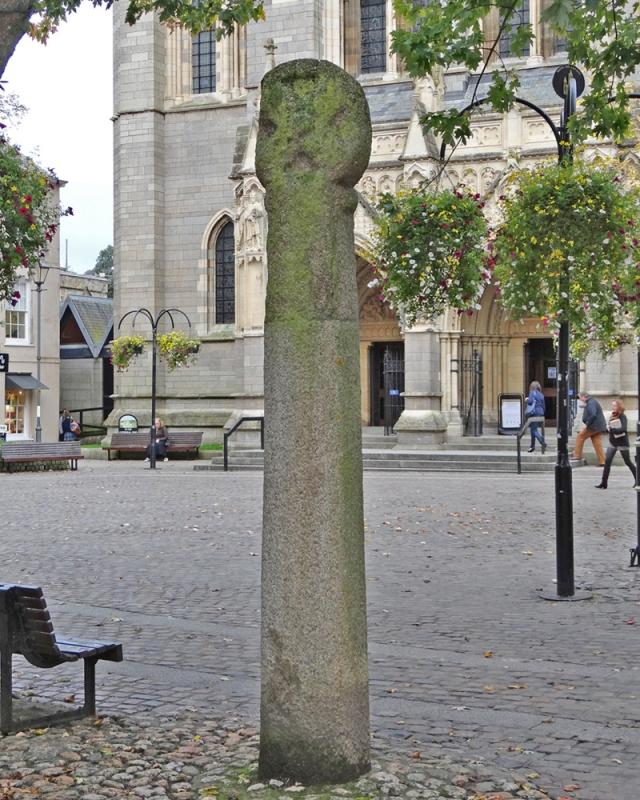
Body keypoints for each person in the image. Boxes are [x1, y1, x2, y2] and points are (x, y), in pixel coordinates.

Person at [595, 398, 637, 489]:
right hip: (613, 442)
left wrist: (612, 429)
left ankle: (638, 480)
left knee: (628, 462)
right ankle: (604, 482)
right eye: (612, 405)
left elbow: (623, 429)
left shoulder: (622, 416)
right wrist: (607, 428)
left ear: (619, 406)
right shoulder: (612, 415)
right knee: (607, 462)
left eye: (615, 405)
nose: (613, 407)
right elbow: (609, 429)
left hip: (622, 442)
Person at [572, 391, 606, 466]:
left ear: (584, 396)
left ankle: (577, 455)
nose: (581, 400)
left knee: (580, 436)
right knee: (597, 443)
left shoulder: (591, 403)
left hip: (593, 426)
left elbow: (592, 414)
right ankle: (602, 461)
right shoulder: (592, 402)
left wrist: (587, 424)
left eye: (580, 398)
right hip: (598, 426)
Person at [526, 381, 547, 453]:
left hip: (534, 413)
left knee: (533, 430)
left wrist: (526, 400)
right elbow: (543, 405)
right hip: (540, 413)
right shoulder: (541, 395)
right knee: (533, 429)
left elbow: (530, 401)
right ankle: (532, 446)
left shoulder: (532, 393)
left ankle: (542, 442)